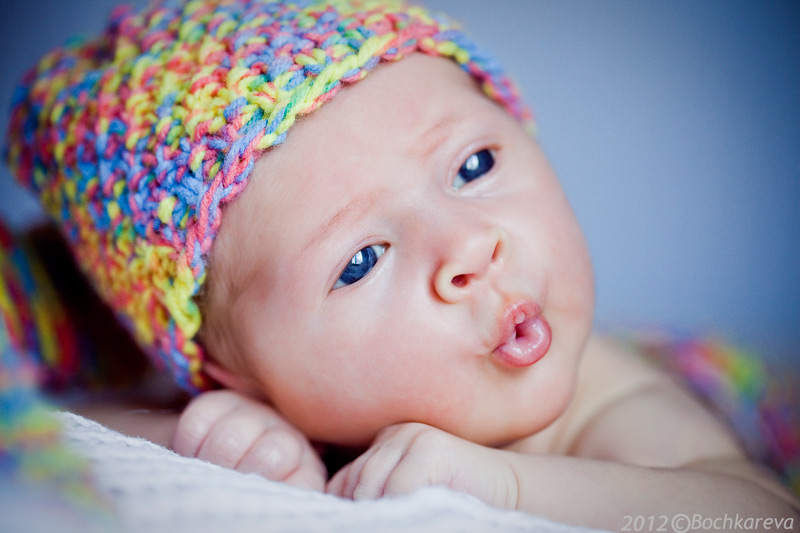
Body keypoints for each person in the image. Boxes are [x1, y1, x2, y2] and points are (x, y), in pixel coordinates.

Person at [5, 0, 798, 529]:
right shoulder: (273, 401)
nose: (469, 247)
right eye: (361, 261)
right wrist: (208, 430)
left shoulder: (601, 395)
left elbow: (760, 515)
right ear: (233, 374)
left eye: (473, 166)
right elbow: (72, 414)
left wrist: (504, 484)